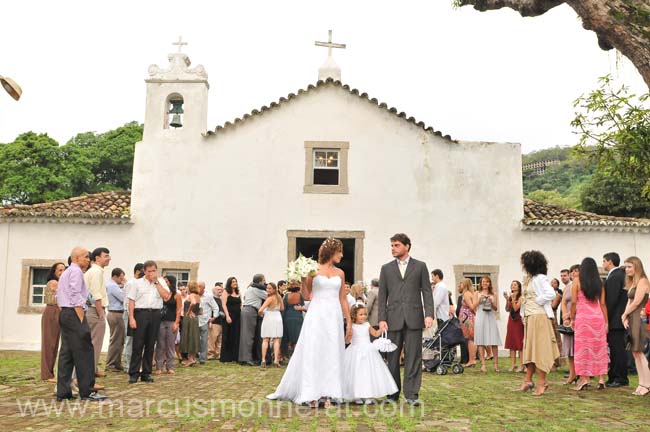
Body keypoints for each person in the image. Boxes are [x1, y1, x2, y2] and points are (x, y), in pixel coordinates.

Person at [267, 238, 352, 407]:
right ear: (331, 252)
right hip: (317, 313)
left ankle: (328, 393)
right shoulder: (313, 270)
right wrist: (302, 278)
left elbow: (342, 298)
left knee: (331, 351)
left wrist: (348, 321)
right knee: (314, 350)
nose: (342, 255)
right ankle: (311, 393)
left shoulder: (340, 273)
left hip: (334, 315)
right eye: (340, 251)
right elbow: (307, 296)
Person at [378, 233, 434, 406]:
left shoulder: (420, 266)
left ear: (406, 246)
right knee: (392, 357)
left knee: (413, 357)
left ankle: (411, 395)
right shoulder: (386, 268)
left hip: (414, 318)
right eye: (392, 246)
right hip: (393, 318)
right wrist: (381, 318)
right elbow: (382, 295)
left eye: (396, 245)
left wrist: (429, 314)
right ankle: (392, 394)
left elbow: (426, 291)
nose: (393, 248)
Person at [56, 247, 106, 402]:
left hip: (65, 312)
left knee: (67, 353)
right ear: (76, 258)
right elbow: (75, 294)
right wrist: (80, 317)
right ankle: (87, 391)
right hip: (74, 312)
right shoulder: (76, 271)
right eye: (85, 257)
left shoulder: (66, 273)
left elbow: (60, 295)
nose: (87, 259)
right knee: (85, 351)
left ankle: (63, 392)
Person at [519, 250, 560, 396]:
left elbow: (551, 294)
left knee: (540, 350)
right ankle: (528, 379)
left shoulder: (540, 278)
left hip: (540, 317)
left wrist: (537, 301)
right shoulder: (530, 279)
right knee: (530, 349)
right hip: (531, 317)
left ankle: (542, 382)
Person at [343, 304, 398, 404]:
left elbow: (375, 334)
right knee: (356, 373)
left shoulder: (367, 325)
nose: (363, 316)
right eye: (361, 315)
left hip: (368, 351)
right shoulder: (352, 326)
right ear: (354, 315)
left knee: (368, 373)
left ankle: (368, 395)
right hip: (355, 351)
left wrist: (381, 330)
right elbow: (347, 341)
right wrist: (348, 334)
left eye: (365, 314)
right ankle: (357, 395)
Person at [127, 260, 170, 384]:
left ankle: (146, 373)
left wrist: (156, 282)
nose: (152, 273)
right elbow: (131, 301)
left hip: (155, 314)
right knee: (137, 344)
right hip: (140, 313)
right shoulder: (137, 283)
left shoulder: (161, 282)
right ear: (144, 271)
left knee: (150, 344)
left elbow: (166, 296)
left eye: (154, 270)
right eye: (149, 271)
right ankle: (134, 373)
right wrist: (131, 318)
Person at [571, 257, 608, 391]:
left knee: (583, 349)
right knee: (599, 348)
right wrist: (606, 322)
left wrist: (571, 317)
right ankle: (601, 378)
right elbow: (603, 304)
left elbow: (574, 302)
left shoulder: (577, 281)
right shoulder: (600, 283)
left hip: (583, 318)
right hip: (598, 318)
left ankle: (585, 379)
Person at [621, 256, 650, 396]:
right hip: (632, 317)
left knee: (639, 351)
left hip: (638, 317)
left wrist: (624, 314)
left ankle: (647, 384)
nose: (627, 269)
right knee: (634, 352)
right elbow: (629, 300)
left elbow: (637, 302)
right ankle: (641, 382)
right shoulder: (633, 282)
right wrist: (625, 316)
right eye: (626, 267)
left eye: (629, 267)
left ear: (636, 266)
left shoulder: (643, 281)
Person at [603, 252, 629, 388]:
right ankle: (614, 376)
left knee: (617, 350)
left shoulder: (614, 276)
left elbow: (611, 300)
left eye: (604, 261)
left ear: (610, 262)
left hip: (615, 320)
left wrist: (605, 317)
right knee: (616, 349)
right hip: (618, 319)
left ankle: (620, 378)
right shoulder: (620, 275)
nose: (603, 264)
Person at [84, 247, 111, 378]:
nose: (109, 258)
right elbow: (96, 294)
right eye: (106, 256)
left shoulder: (95, 271)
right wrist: (100, 313)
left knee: (93, 343)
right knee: (95, 343)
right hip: (94, 310)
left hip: (93, 309)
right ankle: (88, 374)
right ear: (97, 258)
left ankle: (92, 369)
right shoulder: (96, 272)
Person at [41, 262, 65, 383]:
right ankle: (47, 374)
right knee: (49, 343)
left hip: (58, 311)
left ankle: (50, 372)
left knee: (55, 343)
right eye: (59, 270)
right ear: (54, 272)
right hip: (52, 311)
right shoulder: (54, 282)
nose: (62, 272)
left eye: (64, 270)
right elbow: (61, 296)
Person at [474, 276, 501, 373]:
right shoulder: (476, 293)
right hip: (481, 317)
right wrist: (480, 300)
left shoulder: (494, 294)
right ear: (480, 283)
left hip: (491, 317)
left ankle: (496, 364)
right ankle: (483, 365)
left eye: (487, 282)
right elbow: (473, 306)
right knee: (481, 341)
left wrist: (490, 302)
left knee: (494, 340)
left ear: (490, 283)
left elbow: (496, 308)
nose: (485, 283)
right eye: (483, 282)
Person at [155, 274, 181, 374]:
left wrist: (176, 322)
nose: (164, 283)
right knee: (160, 345)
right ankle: (159, 367)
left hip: (171, 321)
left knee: (170, 345)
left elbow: (179, 310)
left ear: (170, 282)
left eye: (166, 281)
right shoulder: (161, 293)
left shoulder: (176, 295)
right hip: (160, 321)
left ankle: (170, 366)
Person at [239, 274, 267, 366]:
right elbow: (268, 295)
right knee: (248, 336)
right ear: (260, 281)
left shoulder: (250, 288)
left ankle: (245, 358)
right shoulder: (256, 289)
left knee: (246, 335)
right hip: (250, 311)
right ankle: (246, 359)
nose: (265, 282)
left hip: (247, 310)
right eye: (264, 281)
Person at [122, 263, 144, 372]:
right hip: (130, 313)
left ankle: (135, 364)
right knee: (129, 339)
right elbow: (128, 301)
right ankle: (128, 365)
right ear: (138, 271)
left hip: (139, 313)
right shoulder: (132, 283)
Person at [105, 268, 126, 373]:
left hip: (117, 313)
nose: (122, 280)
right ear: (115, 276)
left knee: (120, 340)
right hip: (115, 313)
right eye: (121, 278)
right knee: (116, 339)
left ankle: (117, 362)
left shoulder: (113, 285)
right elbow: (123, 298)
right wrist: (125, 287)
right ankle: (111, 363)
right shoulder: (112, 286)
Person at [560, 265, 579, 385]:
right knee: (569, 349)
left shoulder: (582, 286)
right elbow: (563, 302)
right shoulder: (567, 287)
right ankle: (572, 374)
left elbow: (578, 302)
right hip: (568, 318)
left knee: (578, 348)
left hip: (578, 318)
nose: (573, 273)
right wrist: (565, 316)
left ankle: (581, 373)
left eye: (576, 271)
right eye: (571, 271)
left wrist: (571, 315)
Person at [259, 282, 284, 367]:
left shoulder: (269, 299)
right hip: (277, 316)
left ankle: (263, 360)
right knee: (276, 339)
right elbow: (282, 308)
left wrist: (260, 314)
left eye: (269, 288)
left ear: (274, 289)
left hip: (269, 317)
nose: (267, 290)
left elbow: (260, 309)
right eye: (267, 288)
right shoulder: (279, 297)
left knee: (266, 339)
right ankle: (276, 360)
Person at [220, 277, 242, 363]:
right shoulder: (226, 292)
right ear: (229, 283)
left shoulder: (238, 292)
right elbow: (224, 304)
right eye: (233, 281)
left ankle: (234, 357)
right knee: (227, 336)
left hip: (237, 316)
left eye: (236, 281)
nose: (235, 283)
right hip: (229, 316)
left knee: (236, 335)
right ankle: (226, 357)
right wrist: (227, 316)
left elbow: (241, 304)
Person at [504, 280, 524, 372]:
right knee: (511, 342)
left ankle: (521, 365)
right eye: (512, 285)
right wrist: (507, 300)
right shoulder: (511, 296)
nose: (513, 286)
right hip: (511, 320)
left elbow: (516, 308)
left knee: (519, 342)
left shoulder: (521, 296)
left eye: (515, 285)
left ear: (519, 287)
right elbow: (508, 309)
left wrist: (512, 300)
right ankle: (513, 365)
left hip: (518, 320)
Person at [180, 281, 201, 367]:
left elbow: (193, 303)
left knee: (189, 337)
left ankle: (190, 359)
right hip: (195, 318)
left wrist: (188, 312)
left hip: (189, 318)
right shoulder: (198, 296)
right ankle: (192, 358)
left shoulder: (192, 295)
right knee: (192, 337)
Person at [282, 281, 306, 356]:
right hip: (297, 316)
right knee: (297, 336)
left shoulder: (286, 296)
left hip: (288, 316)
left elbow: (283, 308)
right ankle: (296, 355)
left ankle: (287, 353)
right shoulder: (300, 295)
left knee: (288, 336)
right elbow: (302, 305)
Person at [198, 281, 219, 364]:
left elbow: (215, 307)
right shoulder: (194, 295)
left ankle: (202, 358)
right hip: (195, 320)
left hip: (204, 320)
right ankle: (194, 356)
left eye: (200, 287)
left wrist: (214, 317)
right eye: (197, 286)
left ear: (203, 288)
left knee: (204, 340)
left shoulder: (208, 296)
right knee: (195, 340)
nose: (198, 288)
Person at [458, 278, 477, 368]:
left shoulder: (466, 294)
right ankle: (472, 359)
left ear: (465, 285)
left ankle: (472, 360)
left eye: (461, 284)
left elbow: (472, 306)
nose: (459, 285)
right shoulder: (469, 293)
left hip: (466, 318)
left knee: (470, 339)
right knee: (470, 339)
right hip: (467, 317)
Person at [207, 282, 225, 360]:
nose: (220, 291)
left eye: (221, 289)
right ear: (213, 291)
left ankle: (218, 355)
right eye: (218, 289)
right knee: (211, 340)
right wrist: (210, 322)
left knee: (219, 340)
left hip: (221, 322)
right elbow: (208, 311)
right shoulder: (211, 299)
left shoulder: (221, 300)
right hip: (214, 322)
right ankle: (210, 355)